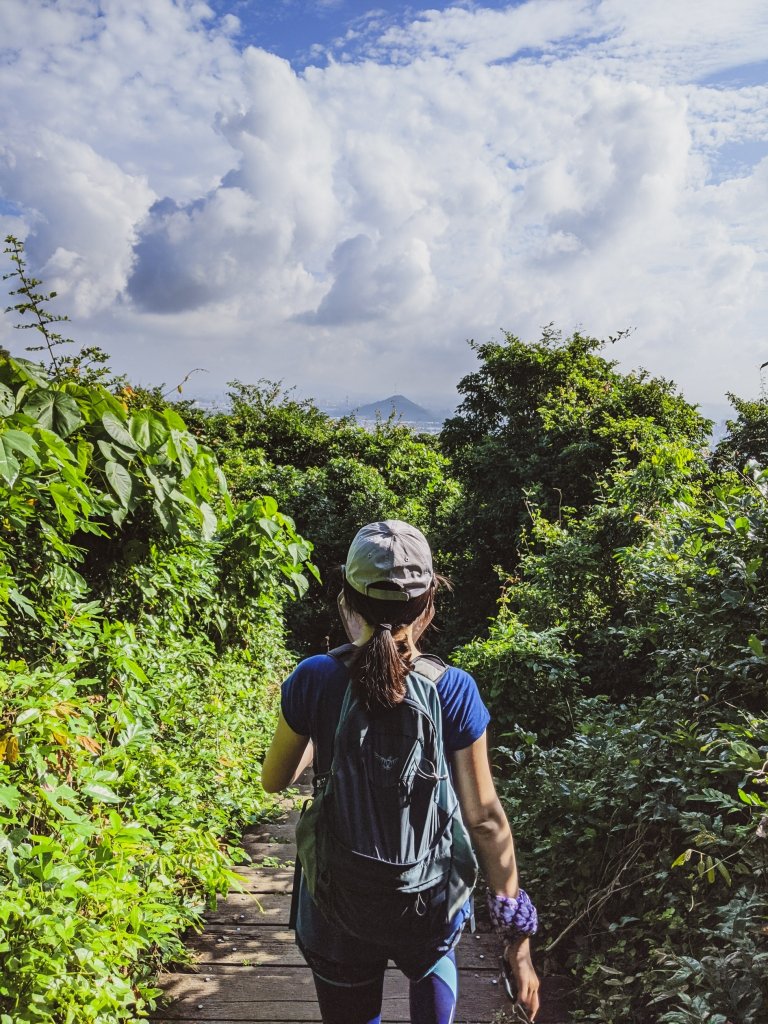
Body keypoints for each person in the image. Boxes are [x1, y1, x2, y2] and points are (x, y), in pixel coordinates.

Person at [262, 520, 540, 1024]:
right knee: (433, 967)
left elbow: (275, 779)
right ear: (429, 603)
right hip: (428, 900)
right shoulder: (453, 689)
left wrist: (320, 734)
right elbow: (484, 819)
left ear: (346, 599)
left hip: (336, 905)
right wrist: (517, 942)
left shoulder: (313, 678)